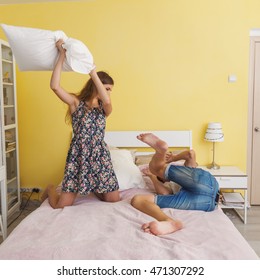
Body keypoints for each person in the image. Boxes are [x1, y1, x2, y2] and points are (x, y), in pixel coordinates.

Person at [41, 39, 120, 209]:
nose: (108, 93)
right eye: (106, 88)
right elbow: (54, 86)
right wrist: (61, 55)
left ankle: (94, 186)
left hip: (100, 157)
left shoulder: (104, 109)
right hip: (79, 156)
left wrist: (92, 72)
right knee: (61, 206)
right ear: (96, 86)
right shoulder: (76, 103)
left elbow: (106, 100)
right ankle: (50, 189)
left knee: (113, 200)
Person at [131, 133, 219, 236]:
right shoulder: (172, 183)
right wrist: (153, 177)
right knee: (140, 195)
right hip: (209, 202)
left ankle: (160, 151)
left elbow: (190, 153)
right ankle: (170, 222)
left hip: (206, 198)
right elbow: (191, 153)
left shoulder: (185, 168)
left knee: (154, 170)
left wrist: (173, 158)